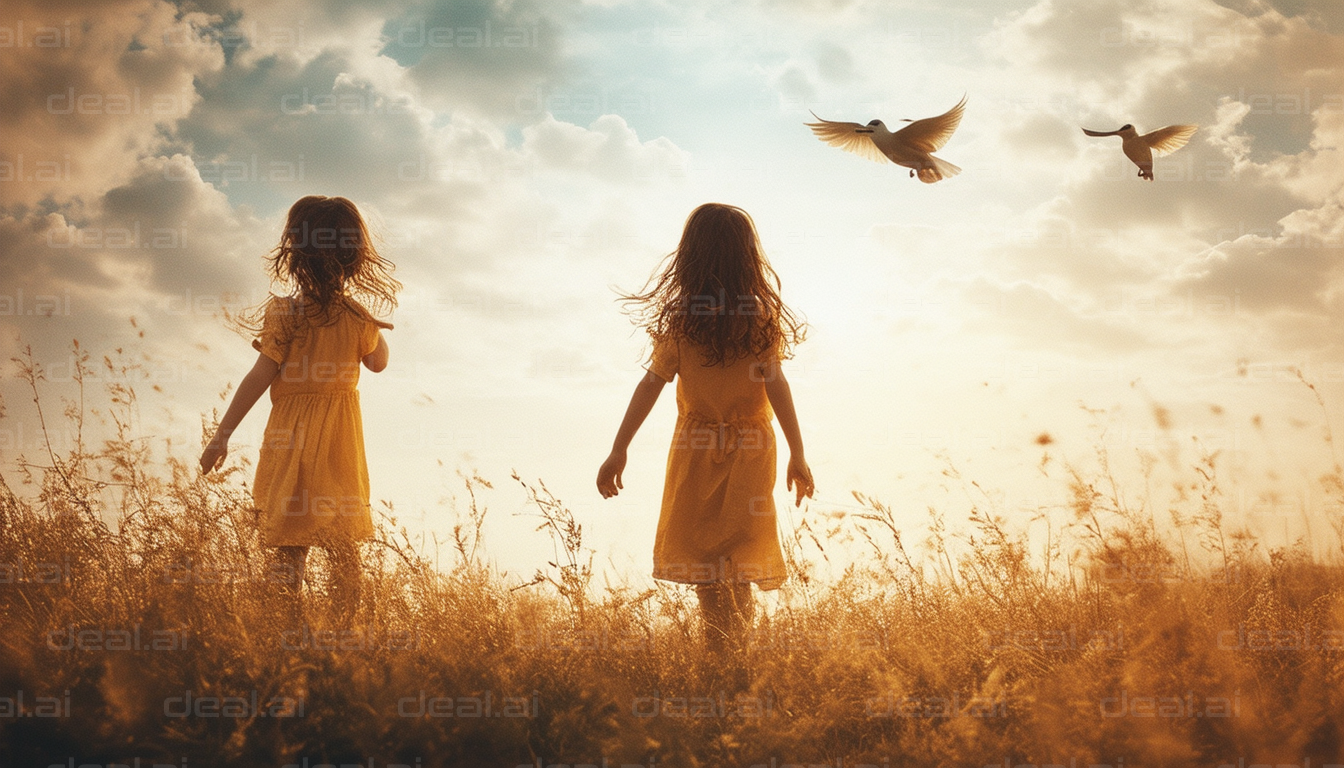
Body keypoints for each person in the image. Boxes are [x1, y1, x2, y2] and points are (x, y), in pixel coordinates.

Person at [596, 202, 814, 654]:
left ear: (690, 257)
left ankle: (723, 649)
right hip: (752, 446)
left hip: (699, 448)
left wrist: (619, 449)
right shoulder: (753, 321)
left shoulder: (688, 323)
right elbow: (776, 384)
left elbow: (649, 385)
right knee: (731, 555)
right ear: (746, 258)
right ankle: (731, 650)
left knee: (711, 556)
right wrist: (796, 452)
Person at [199, 195, 400, 628]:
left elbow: (258, 377)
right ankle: (344, 633)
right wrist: (371, 328)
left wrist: (222, 435)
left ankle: (284, 634)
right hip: (339, 448)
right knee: (344, 546)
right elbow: (379, 363)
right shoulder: (356, 316)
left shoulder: (285, 314)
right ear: (353, 257)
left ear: (294, 253)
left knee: (289, 546)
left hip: (289, 442)